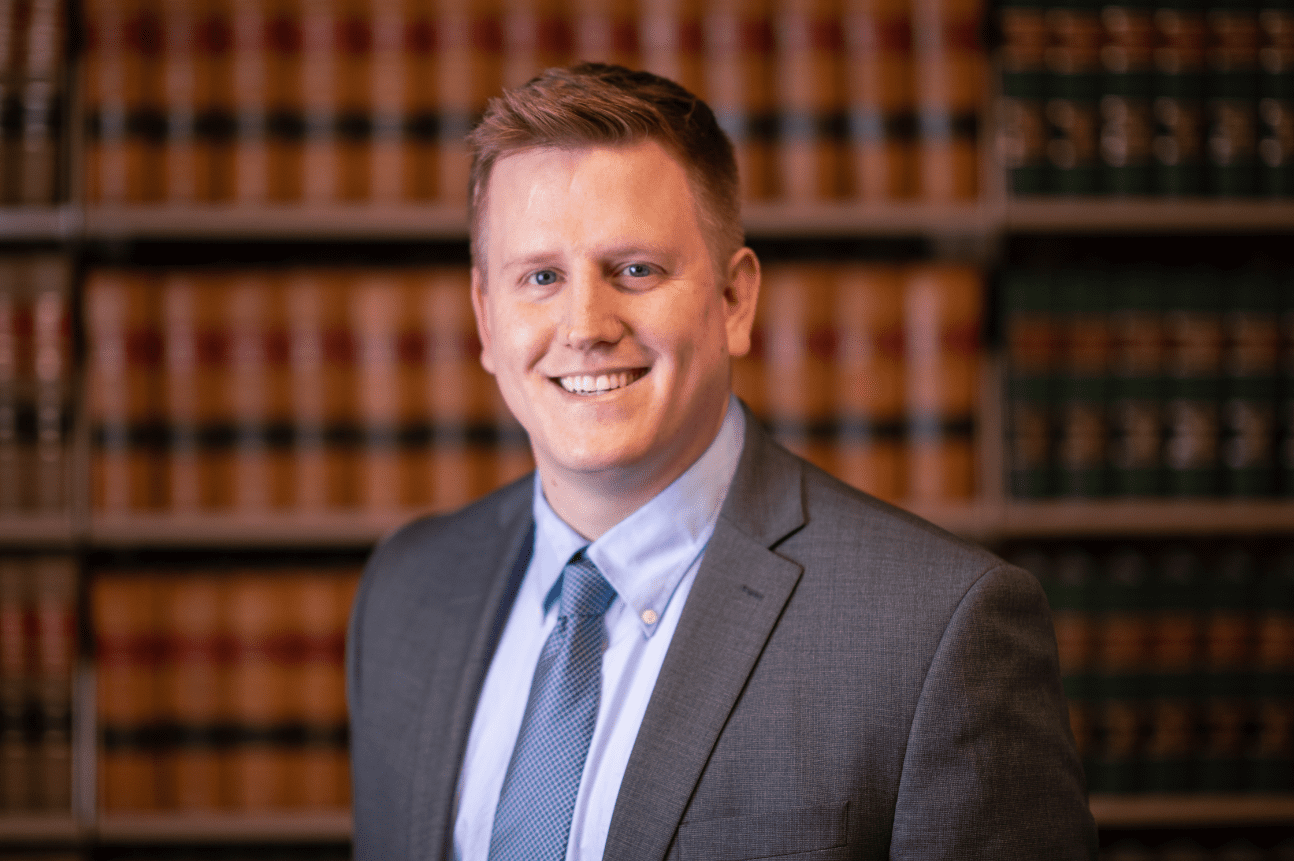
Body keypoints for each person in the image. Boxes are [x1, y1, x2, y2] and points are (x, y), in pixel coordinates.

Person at [347, 63, 1097, 861]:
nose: (586, 324)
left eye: (635, 269)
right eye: (541, 277)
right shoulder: (406, 593)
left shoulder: (938, 633)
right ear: (486, 320)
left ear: (735, 301)